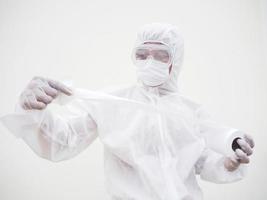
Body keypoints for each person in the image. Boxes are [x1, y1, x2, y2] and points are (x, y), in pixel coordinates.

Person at [8, 23, 255, 200]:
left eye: (161, 55)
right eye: (142, 54)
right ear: (133, 58)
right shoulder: (112, 102)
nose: (150, 61)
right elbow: (62, 141)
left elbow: (200, 161)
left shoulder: (190, 111)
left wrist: (228, 163)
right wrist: (32, 110)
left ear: (175, 60)